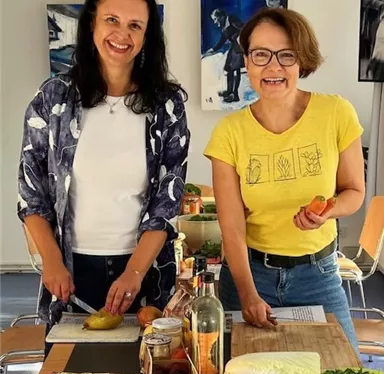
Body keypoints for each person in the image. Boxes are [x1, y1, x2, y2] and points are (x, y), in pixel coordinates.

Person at [18, 0, 190, 351]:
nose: (122, 34)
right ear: (92, 25)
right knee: (74, 371)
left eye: (135, 25)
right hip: (71, 273)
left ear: (147, 36)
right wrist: (51, 261)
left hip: (145, 271)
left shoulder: (167, 105)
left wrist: (135, 272)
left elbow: (166, 202)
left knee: (150, 369)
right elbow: (31, 193)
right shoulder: (53, 100)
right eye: (112, 20)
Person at [204, 7, 365, 353]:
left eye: (286, 55)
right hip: (249, 275)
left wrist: (329, 210)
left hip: (318, 275)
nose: (273, 67)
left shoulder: (336, 113)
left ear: (301, 60)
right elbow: (231, 227)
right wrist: (248, 294)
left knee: (340, 368)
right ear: (246, 61)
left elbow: (354, 192)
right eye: (261, 54)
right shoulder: (229, 133)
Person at [205, 9, 245, 103]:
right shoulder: (224, 27)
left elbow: (244, 28)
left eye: (215, 19)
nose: (215, 22)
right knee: (228, 68)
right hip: (233, 47)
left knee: (235, 70)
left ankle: (235, 95)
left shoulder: (231, 19)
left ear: (221, 17)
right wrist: (212, 49)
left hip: (239, 48)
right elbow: (222, 41)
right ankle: (229, 91)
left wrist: (236, 37)